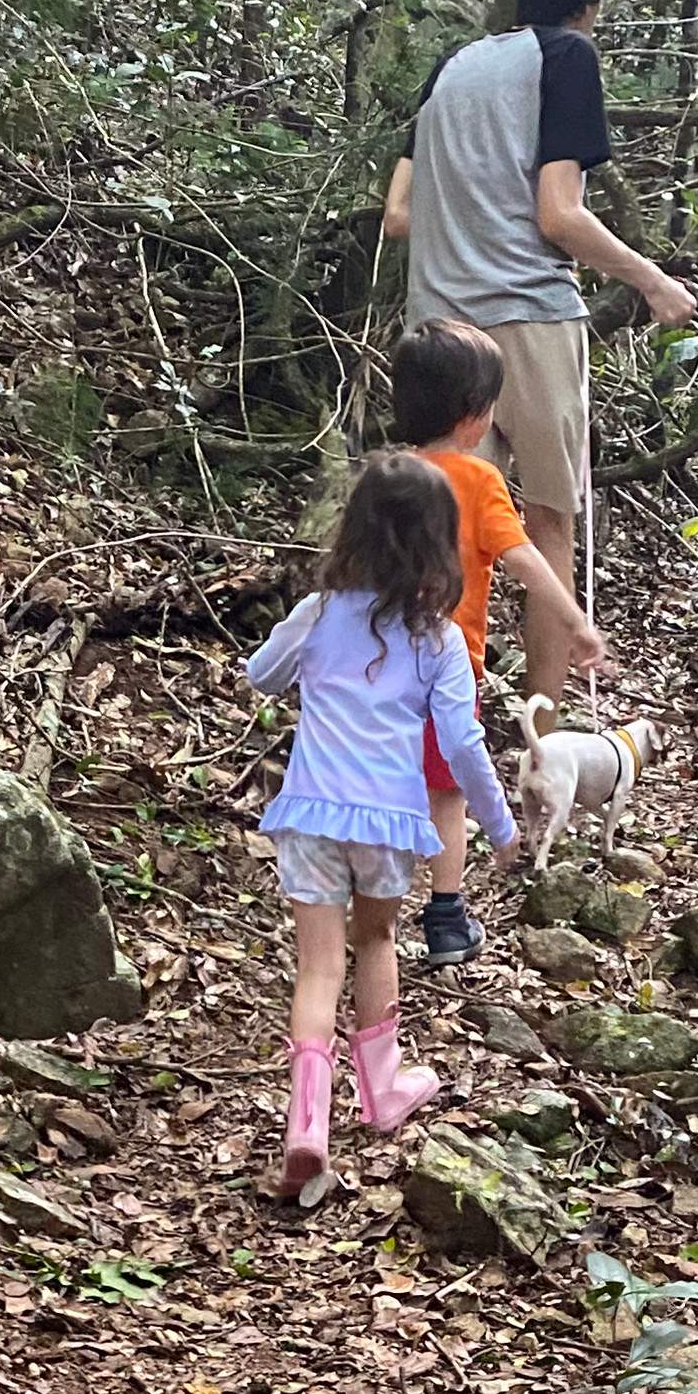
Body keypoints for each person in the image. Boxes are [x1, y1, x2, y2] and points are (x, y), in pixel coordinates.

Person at [380, 0, 697, 697]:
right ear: (590, 4)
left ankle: (434, 714)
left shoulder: (449, 71)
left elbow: (398, 214)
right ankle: (545, 729)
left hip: (439, 327)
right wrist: (650, 279)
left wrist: (468, 223)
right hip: (530, 317)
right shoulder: (568, 58)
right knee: (548, 522)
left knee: (451, 527)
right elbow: (559, 214)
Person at [243, 452, 518, 1200]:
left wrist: (301, 659)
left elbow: (260, 673)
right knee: (376, 940)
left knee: (315, 967)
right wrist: (499, 825)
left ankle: (307, 1127)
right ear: (438, 544)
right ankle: (382, 1088)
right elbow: (462, 744)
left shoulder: (317, 614)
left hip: (311, 813)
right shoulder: (438, 642)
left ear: (354, 531)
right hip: (390, 823)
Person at [389, 315, 603, 967]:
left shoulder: (388, 477)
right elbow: (526, 559)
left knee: (383, 784)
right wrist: (574, 621)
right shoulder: (479, 482)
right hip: (449, 671)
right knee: (447, 792)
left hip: (377, 668)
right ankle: (446, 915)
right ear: (476, 416)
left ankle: (368, 907)